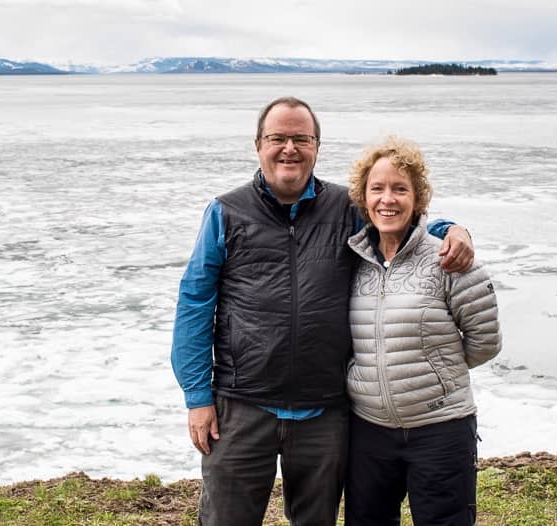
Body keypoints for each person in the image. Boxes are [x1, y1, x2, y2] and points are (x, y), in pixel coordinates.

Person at [170, 97, 475, 526]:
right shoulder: (226, 212)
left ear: (317, 146)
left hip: (324, 413)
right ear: (258, 144)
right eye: (278, 138)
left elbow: (401, 225)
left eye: (301, 138)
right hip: (240, 406)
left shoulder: (345, 209)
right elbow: (194, 304)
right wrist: (197, 397)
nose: (289, 148)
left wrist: (451, 229)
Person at [343, 136, 501, 526]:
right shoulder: (350, 262)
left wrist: (433, 370)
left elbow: (485, 343)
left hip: (440, 428)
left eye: (400, 189)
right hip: (369, 431)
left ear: (418, 198)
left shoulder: (449, 260)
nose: (388, 199)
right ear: (363, 198)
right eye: (377, 189)